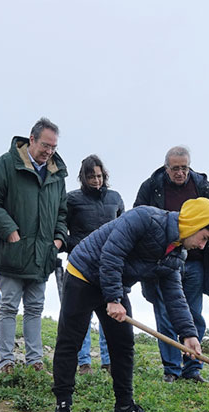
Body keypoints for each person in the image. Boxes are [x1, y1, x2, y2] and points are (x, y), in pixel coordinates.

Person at [51, 198, 209, 412]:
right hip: (84, 273)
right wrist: (113, 298)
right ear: (195, 223)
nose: (203, 246)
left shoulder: (176, 253)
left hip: (114, 282)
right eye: (204, 238)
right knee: (71, 341)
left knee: (123, 344)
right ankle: (63, 407)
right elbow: (112, 254)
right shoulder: (145, 218)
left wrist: (189, 333)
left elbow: (174, 295)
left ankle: (124, 406)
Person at [0, 118, 68, 372]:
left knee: (35, 308)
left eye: (53, 147)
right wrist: (10, 232)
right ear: (32, 139)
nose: (49, 151)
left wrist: (58, 240)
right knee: (8, 307)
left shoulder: (56, 173)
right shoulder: (8, 164)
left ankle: (35, 360)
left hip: (43, 254)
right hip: (14, 252)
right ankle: (6, 361)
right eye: (45, 145)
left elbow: (62, 212)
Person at [135, 146, 209, 383]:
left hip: (195, 262)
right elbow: (139, 216)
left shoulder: (203, 187)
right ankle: (171, 369)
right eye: (175, 168)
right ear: (166, 168)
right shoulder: (151, 186)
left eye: (184, 168)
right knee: (165, 313)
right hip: (163, 261)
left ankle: (192, 368)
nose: (180, 173)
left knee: (193, 314)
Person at [65, 155, 124, 374]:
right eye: (91, 177)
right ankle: (84, 362)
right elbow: (62, 228)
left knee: (110, 312)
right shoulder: (71, 200)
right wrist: (74, 245)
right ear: (83, 178)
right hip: (80, 265)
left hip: (110, 264)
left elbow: (124, 226)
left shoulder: (115, 198)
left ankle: (109, 361)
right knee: (81, 315)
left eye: (99, 176)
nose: (96, 181)